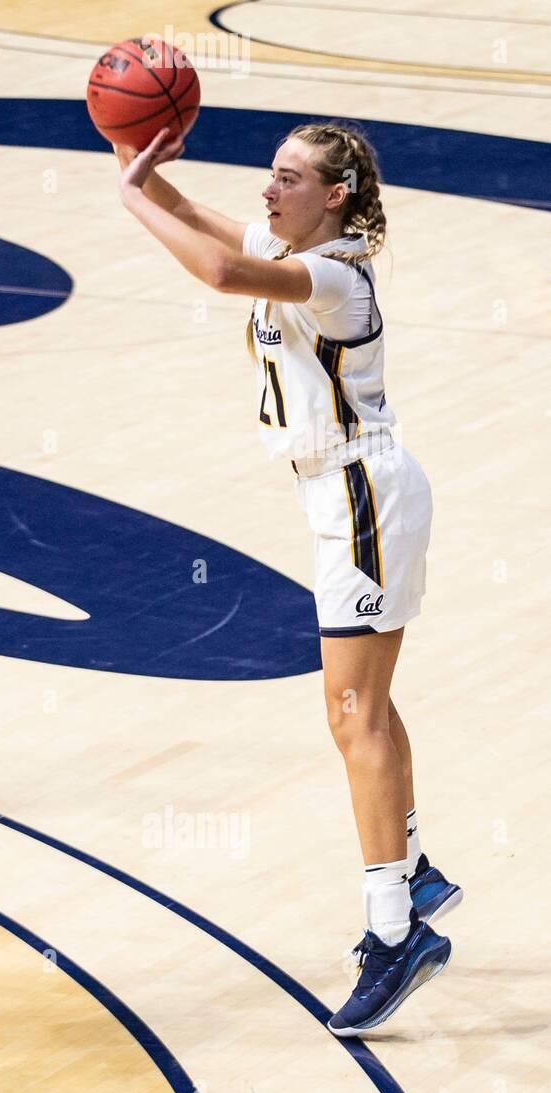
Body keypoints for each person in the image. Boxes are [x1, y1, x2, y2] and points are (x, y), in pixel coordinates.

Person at [114, 121, 462, 1036]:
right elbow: (210, 225)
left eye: (288, 179)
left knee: (354, 717)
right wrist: (136, 169)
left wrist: (125, 204)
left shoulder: (335, 274)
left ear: (335, 195)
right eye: (270, 176)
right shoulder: (291, 243)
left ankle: (397, 934)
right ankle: (412, 869)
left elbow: (222, 274)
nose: (268, 193)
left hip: (363, 498)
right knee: (366, 709)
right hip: (337, 497)